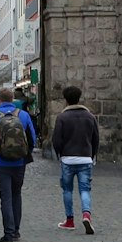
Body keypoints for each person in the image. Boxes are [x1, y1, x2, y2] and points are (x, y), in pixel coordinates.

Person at [0, 86, 38, 242]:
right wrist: (26, 154)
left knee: (5, 196)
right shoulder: (24, 115)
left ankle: (8, 233)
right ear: (13, 99)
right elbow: (32, 138)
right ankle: (16, 230)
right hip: (19, 162)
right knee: (16, 194)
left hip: (1, 162)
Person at [48, 84, 98, 234]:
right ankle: (86, 214)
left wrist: (60, 154)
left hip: (68, 158)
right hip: (85, 158)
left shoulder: (62, 117)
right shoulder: (90, 117)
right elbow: (96, 138)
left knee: (67, 190)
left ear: (65, 99)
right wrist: (92, 154)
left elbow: (56, 140)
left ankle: (69, 220)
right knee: (85, 190)